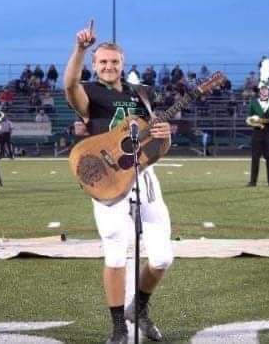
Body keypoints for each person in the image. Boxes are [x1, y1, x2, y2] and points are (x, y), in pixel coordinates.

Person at [64, 22, 173, 344]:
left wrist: (164, 135)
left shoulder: (142, 95)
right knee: (115, 253)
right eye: (103, 62)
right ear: (95, 65)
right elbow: (70, 84)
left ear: (122, 64)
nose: (109, 67)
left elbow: (153, 145)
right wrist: (81, 50)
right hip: (108, 178)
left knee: (162, 257)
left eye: (114, 62)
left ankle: (137, 308)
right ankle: (118, 327)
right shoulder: (89, 93)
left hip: (143, 175)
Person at [247, 82, 269, 187]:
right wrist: (254, 120)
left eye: (266, 89)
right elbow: (248, 119)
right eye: (262, 89)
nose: (264, 91)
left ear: (268, 90)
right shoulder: (253, 103)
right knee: (255, 157)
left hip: (268, 132)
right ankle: (253, 182)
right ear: (259, 91)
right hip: (257, 132)